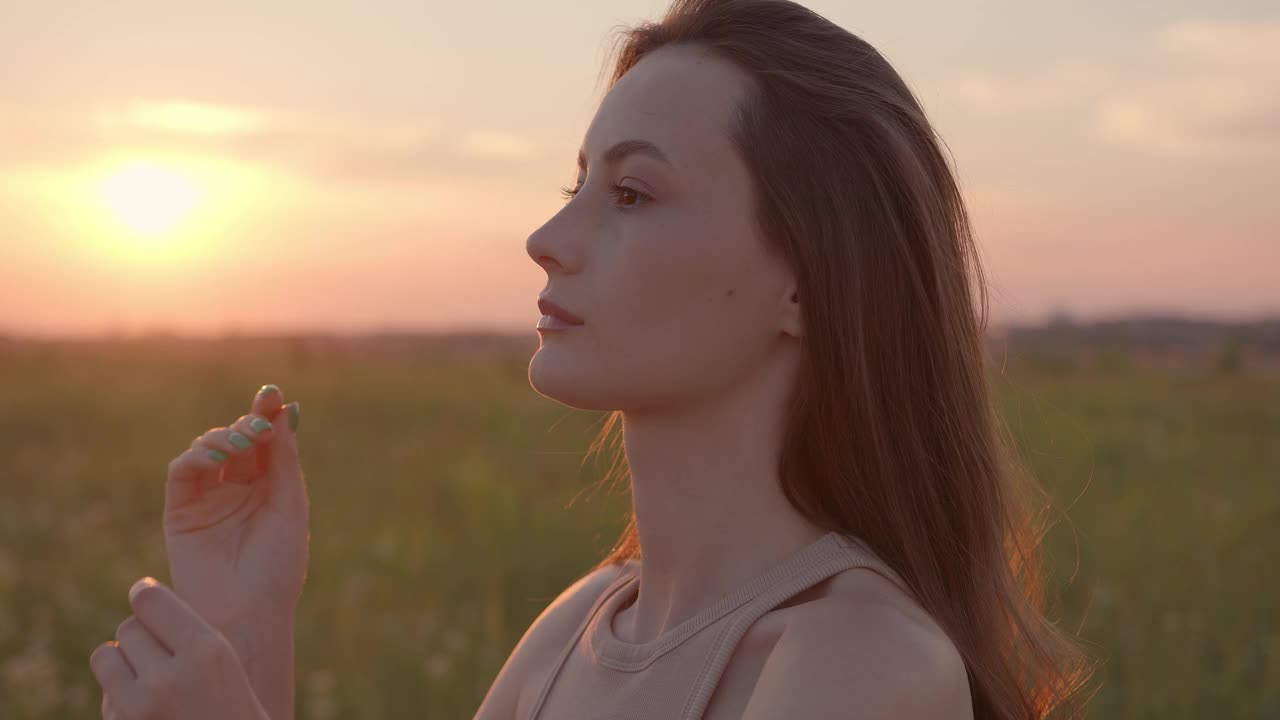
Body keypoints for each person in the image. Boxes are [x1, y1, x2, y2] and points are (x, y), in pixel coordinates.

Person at [88, 0, 1099, 718]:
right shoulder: (581, 624)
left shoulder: (862, 666)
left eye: (629, 195)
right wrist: (250, 631)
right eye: (575, 185)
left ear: (807, 279)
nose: (545, 236)